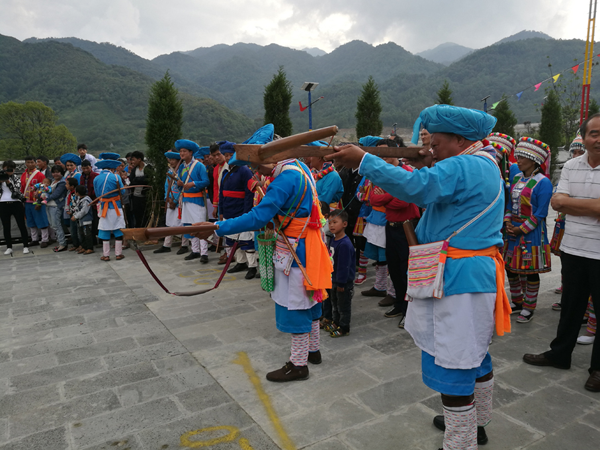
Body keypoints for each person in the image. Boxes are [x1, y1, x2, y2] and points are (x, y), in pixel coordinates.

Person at [329, 104, 512, 449]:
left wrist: (365, 161)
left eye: (437, 143)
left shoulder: (465, 164)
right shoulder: (482, 162)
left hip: (458, 279)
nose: (431, 149)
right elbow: (439, 186)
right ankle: (476, 424)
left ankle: (460, 441)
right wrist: (428, 164)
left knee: (453, 363)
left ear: (460, 140)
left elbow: (416, 188)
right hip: (471, 275)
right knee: (473, 356)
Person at [193, 158, 333, 382]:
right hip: (310, 246)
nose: (255, 171)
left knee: (296, 306)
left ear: (270, 158)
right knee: (311, 301)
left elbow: (258, 216)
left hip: (296, 250)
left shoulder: (285, 178)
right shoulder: (300, 167)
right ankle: (313, 351)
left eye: (256, 165)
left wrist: (218, 227)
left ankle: (299, 364)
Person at [523, 114, 600, 393]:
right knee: (570, 307)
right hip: (573, 248)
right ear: (584, 137)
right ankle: (560, 354)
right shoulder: (570, 165)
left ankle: (598, 369)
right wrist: (590, 206)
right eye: (594, 133)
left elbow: (567, 203)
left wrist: (572, 204)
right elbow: (557, 202)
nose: (599, 139)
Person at [503, 138, 553, 324]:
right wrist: (508, 222)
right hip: (513, 231)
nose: (518, 161)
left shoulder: (543, 183)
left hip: (531, 232)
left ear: (534, 160)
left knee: (530, 271)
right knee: (511, 269)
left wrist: (521, 229)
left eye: (522, 157)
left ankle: (529, 306)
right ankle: (517, 301)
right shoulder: (516, 178)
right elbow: (510, 204)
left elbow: (540, 213)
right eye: (518, 157)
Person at [370, 151, 421, 327]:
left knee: (406, 269)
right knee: (394, 268)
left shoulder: (406, 172)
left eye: (386, 152)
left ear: (395, 153)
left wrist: (385, 197)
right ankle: (399, 304)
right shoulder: (383, 174)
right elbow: (373, 199)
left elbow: (403, 201)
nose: (382, 157)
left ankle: (409, 311)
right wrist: (393, 194)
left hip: (406, 227)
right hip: (390, 225)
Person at [550, 132, 586, 303]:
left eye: (580, 152)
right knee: (566, 259)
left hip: (585, 230)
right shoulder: (569, 170)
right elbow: (557, 200)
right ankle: (566, 288)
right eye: (574, 152)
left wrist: (569, 202)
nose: (576, 155)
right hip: (564, 224)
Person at [219, 154, 258, 279]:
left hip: (241, 209)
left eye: (230, 155)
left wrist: (246, 212)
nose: (228, 157)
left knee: (245, 239)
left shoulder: (244, 170)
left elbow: (249, 193)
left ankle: (252, 265)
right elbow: (221, 193)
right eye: (225, 155)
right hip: (228, 209)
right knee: (232, 239)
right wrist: (221, 210)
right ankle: (241, 262)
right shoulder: (225, 171)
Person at [176, 139, 210, 262]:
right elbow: (180, 185)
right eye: (180, 151)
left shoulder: (199, 165)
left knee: (200, 226)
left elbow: (206, 181)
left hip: (197, 200)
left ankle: (204, 253)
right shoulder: (181, 167)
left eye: (184, 151)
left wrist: (193, 183)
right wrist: (179, 184)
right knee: (189, 226)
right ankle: (195, 250)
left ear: (191, 152)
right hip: (186, 200)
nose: (182, 153)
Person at [323, 209, 355, 337]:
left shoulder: (345, 244)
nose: (331, 225)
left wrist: (341, 283)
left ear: (344, 224)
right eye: (330, 222)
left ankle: (344, 327)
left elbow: (344, 266)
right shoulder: (333, 239)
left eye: (335, 222)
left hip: (343, 282)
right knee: (335, 304)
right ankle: (335, 323)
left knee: (343, 306)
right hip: (333, 279)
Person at [154, 151, 190, 254]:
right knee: (169, 223)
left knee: (182, 223)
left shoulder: (183, 171)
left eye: (173, 160)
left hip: (180, 201)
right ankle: (166, 245)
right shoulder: (170, 171)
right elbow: (167, 187)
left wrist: (175, 200)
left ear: (179, 161)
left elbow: (182, 188)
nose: (171, 162)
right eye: (170, 160)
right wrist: (168, 199)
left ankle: (184, 245)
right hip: (171, 201)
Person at [93, 154, 126, 261]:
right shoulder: (116, 177)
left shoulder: (96, 178)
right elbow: (122, 192)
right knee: (118, 228)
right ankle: (118, 254)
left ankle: (106, 255)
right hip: (116, 206)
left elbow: (97, 194)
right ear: (112, 168)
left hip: (104, 207)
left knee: (105, 229)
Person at [21, 155, 50, 247]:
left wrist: (40, 201)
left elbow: (44, 189)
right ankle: (34, 239)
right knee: (30, 221)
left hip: (37, 201)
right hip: (27, 201)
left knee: (41, 220)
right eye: (28, 162)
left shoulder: (39, 175)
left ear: (35, 163)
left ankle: (45, 239)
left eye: (32, 162)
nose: (30, 164)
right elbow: (22, 188)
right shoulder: (23, 175)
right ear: (25, 164)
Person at [0, 160, 29, 255]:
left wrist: (8, 182)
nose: (8, 171)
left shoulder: (16, 177)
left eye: (10, 169)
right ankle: (9, 247)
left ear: (14, 169)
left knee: (21, 225)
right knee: (6, 226)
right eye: (6, 169)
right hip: (3, 203)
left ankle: (25, 245)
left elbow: (16, 190)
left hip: (16, 203)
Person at [45, 166, 68, 252]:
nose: (55, 174)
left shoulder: (62, 183)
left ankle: (62, 244)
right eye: (54, 172)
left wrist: (44, 198)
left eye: (57, 172)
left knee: (57, 225)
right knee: (54, 225)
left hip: (56, 206)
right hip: (49, 205)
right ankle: (60, 243)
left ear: (61, 172)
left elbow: (56, 195)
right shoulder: (52, 181)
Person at [128, 151, 153, 228]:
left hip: (145, 196)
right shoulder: (134, 170)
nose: (132, 162)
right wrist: (139, 179)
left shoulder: (148, 167)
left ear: (139, 159)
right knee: (137, 215)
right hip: (135, 196)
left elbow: (148, 179)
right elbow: (131, 180)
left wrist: (137, 179)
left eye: (133, 159)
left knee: (146, 215)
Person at [71, 185, 95, 254]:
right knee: (82, 234)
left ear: (78, 193)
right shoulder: (79, 199)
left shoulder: (86, 200)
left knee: (87, 234)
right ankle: (84, 247)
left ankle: (90, 248)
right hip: (81, 221)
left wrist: (76, 216)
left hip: (86, 221)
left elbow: (84, 211)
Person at [64, 177, 81, 251]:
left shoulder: (77, 194)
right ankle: (75, 244)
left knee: (79, 231)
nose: (65, 185)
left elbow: (78, 204)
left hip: (77, 214)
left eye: (67, 184)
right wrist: (67, 210)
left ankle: (81, 245)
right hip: (71, 214)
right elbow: (67, 202)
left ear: (72, 186)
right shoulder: (69, 193)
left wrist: (74, 211)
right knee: (73, 231)